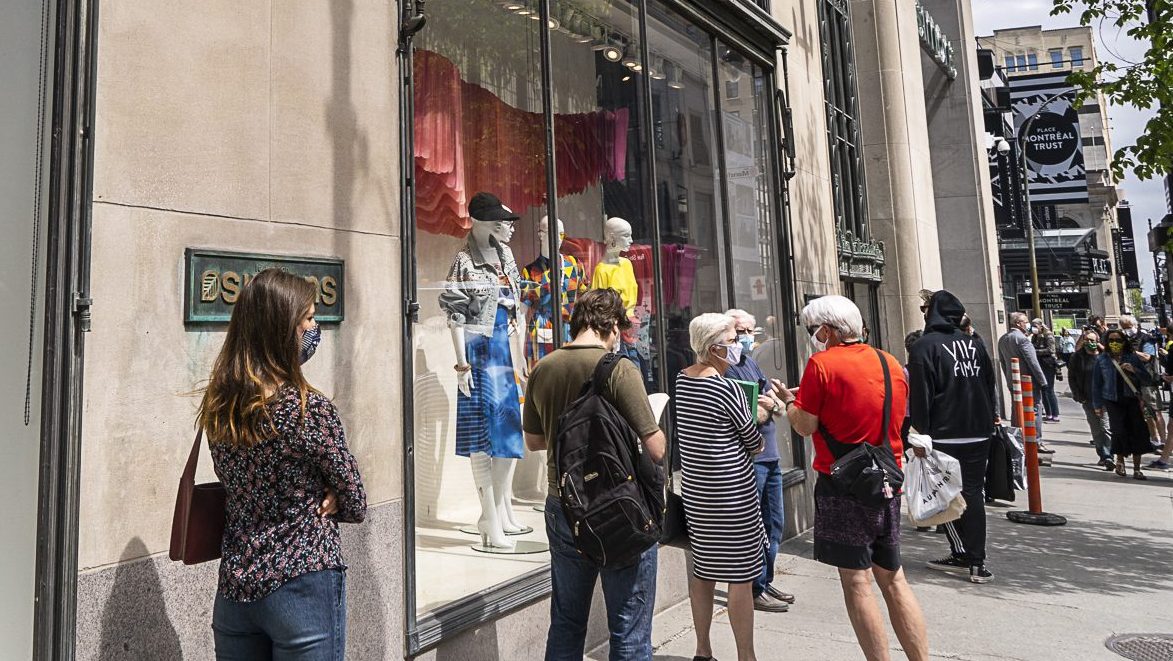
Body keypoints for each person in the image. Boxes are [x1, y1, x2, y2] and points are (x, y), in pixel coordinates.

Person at [198, 268, 367, 660]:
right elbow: (355, 500)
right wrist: (334, 496)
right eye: (308, 318)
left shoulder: (220, 406)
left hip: (236, 585)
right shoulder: (307, 410)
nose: (314, 326)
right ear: (282, 329)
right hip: (302, 583)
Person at [781, 295, 929, 661]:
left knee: (857, 582)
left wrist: (787, 404)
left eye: (816, 330)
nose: (815, 337)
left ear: (828, 330)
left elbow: (805, 425)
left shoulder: (821, 365)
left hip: (842, 484)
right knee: (894, 578)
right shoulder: (890, 362)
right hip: (888, 478)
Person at [522, 288, 667, 661]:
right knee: (628, 627)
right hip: (618, 505)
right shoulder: (618, 368)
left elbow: (534, 441)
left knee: (567, 621)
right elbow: (656, 448)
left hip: (563, 503)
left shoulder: (544, 367)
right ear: (612, 327)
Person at [676, 312, 773, 661]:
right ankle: (746, 655)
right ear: (714, 347)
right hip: (733, 491)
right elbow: (753, 441)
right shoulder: (726, 387)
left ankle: (703, 649)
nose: (739, 346)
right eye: (733, 341)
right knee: (741, 577)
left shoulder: (681, 381)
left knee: (704, 572)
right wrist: (763, 412)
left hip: (698, 491)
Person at [907, 291, 998, 584]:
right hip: (978, 431)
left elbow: (921, 394)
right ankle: (976, 560)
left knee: (945, 494)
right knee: (973, 492)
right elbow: (989, 384)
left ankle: (966, 554)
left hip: (945, 433)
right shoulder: (975, 345)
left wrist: (920, 432)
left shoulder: (924, 347)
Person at [724, 309, 795, 613]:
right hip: (750, 458)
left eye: (750, 331)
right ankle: (754, 587)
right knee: (755, 527)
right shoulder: (725, 370)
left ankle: (764, 580)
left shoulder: (750, 362)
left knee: (774, 523)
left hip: (771, 456)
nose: (746, 337)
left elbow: (775, 405)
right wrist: (767, 406)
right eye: (740, 331)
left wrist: (773, 404)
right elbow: (747, 415)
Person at [1093, 328, 1154, 480]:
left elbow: (1147, 379)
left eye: (1118, 340)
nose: (1115, 343)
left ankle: (1137, 468)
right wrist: (1097, 405)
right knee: (1119, 431)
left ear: (1124, 342)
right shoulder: (1102, 359)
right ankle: (1120, 462)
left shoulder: (1132, 357)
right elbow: (1097, 384)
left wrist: (1134, 370)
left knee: (1137, 431)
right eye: (1111, 340)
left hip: (1132, 399)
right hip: (1112, 399)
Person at [997, 312, 1049, 448]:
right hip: (1028, 382)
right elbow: (1033, 362)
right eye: (1026, 321)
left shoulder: (1003, 339)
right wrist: (1043, 381)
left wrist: (1009, 378)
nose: (1028, 324)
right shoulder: (1022, 339)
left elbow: (1002, 362)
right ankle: (1036, 441)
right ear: (1019, 323)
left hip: (1013, 381)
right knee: (1034, 410)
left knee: (1017, 410)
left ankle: (1017, 439)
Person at [1068, 331, 1114, 470]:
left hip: (1104, 398)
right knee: (1096, 428)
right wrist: (1077, 394)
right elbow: (1072, 377)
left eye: (1093, 339)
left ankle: (1108, 456)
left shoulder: (1104, 356)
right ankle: (1102, 454)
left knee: (1105, 427)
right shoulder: (1077, 357)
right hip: (1087, 398)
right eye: (1087, 339)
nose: (1090, 342)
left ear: (1098, 340)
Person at [1120, 315, 1167, 448]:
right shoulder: (1125, 340)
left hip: (1147, 381)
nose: (1126, 331)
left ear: (1135, 326)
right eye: (1123, 328)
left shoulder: (1146, 339)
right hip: (1132, 382)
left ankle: (1163, 440)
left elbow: (1147, 357)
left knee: (1154, 410)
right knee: (1146, 412)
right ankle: (1154, 438)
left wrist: (1132, 352)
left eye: (1128, 327)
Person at [1030, 319, 1060, 422]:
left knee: (1049, 389)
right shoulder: (1035, 336)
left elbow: (1051, 350)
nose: (1033, 328)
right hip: (1039, 364)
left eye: (1035, 325)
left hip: (1048, 364)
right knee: (1043, 389)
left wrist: (1035, 351)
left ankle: (1055, 413)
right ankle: (1048, 413)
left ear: (1040, 325)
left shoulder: (1048, 335)